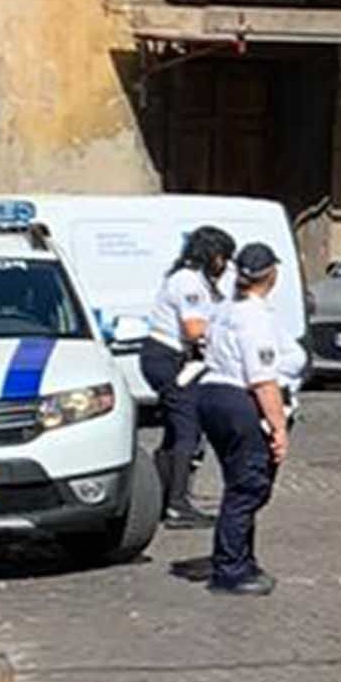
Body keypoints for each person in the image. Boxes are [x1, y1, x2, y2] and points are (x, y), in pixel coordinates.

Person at [193, 240, 293, 595]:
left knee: (239, 482)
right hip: (238, 399)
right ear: (271, 275)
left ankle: (243, 560)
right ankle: (230, 569)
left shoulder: (225, 308)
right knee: (248, 487)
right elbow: (263, 380)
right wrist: (279, 429)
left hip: (211, 393)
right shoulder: (255, 316)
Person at [133, 222, 232, 529]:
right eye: (223, 257)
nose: (225, 265)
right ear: (212, 255)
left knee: (176, 430)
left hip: (170, 358)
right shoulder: (188, 282)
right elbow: (193, 329)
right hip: (168, 359)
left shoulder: (194, 280)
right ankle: (177, 504)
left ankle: (164, 497)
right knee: (188, 429)